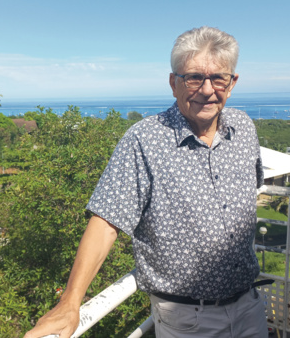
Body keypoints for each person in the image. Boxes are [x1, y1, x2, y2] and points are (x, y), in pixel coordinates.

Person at [24, 26, 267, 338]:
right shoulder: (145, 139)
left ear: (231, 84)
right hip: (188, 320)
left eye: (218, 78)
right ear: (173, 83)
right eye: (194, 77)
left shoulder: (244, 129)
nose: (207, 90)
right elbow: (106, 222)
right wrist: (70, 302)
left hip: (250, 307)